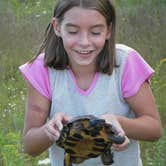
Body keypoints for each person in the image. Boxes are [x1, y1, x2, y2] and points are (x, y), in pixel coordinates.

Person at [19, 0, 162, 165]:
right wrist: (49, 130)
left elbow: (154, 129)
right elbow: (30, 146)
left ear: (108, 30)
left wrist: (119, 123)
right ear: (57, 27)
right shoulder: (42, 70)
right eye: (73, 31)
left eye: (95, 32)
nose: (84, 42)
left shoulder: (125, 62)